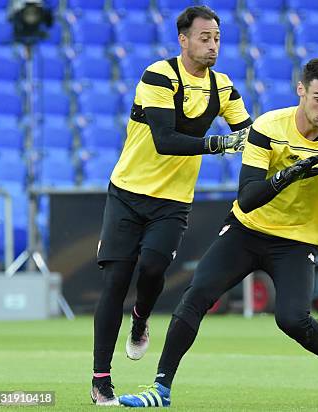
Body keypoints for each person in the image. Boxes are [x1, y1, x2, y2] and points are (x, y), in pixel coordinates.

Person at [118, 58, 318, 408]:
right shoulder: (268, 127)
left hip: (297, 241)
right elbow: (247, 197)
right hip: (247, 230)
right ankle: (160, 389)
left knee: (292, 320)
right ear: (301, 90)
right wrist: (286, 176)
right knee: (197, 294)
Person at [90, 5, 253, 406]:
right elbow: (165, 139)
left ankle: (141, 318)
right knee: (114, 283)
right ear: (183, 40)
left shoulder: (224, 87)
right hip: (127, 192)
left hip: (172, 201)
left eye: (217, 38)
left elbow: (251, 135)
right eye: (204, 37)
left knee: (152, 268)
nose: (212, 45)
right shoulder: (159, 75)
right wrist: (216, 144)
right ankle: (101, 379)